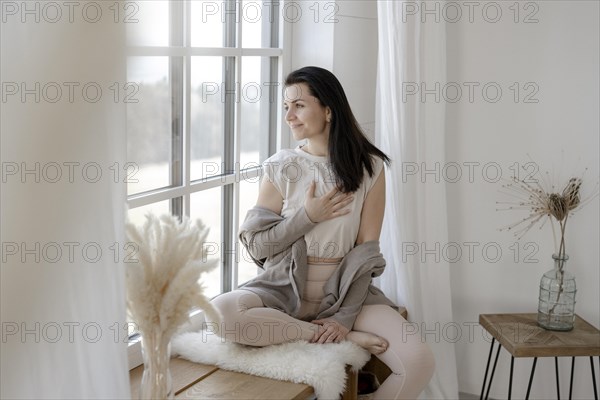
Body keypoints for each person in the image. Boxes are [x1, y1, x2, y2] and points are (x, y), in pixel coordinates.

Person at [207, 66, 435, 399]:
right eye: (286, 107)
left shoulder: (369, 168)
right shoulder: (281, 166)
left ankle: (339, 339)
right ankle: (317, 333)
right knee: (222, 313)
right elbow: (256, 246)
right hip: (284, 288)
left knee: (419, 362)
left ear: (328, 110)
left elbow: (366, 252)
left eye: (298, 105)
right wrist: (306, 217)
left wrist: (344, 318)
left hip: (344, 291)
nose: (289, 116)